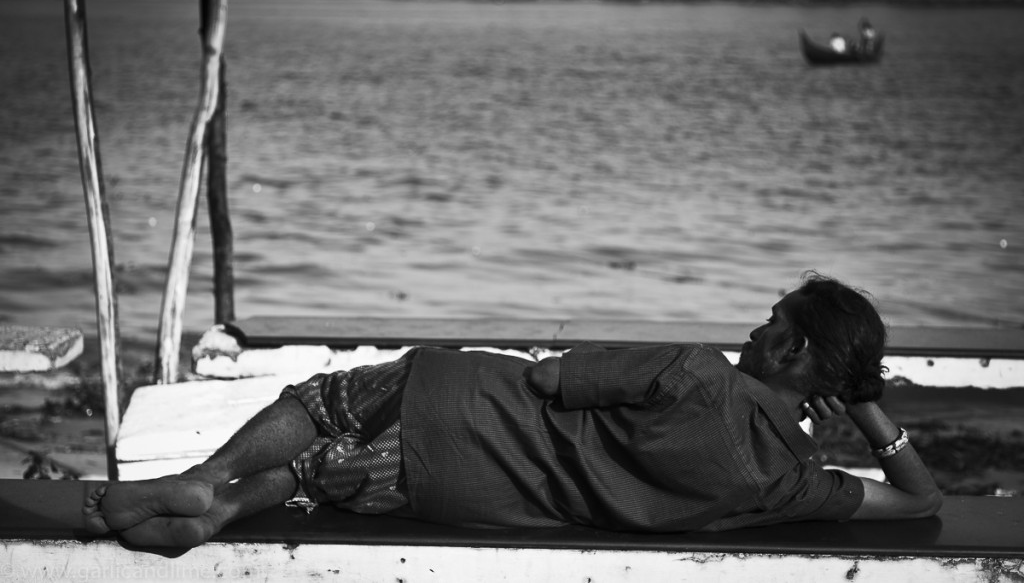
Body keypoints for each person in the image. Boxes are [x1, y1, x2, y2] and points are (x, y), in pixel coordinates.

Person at [83, 272, 942, 548]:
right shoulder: (787, 485)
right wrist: (867, 409)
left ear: (792, 353)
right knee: (319, 474)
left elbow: (553, 378)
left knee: (319, 402)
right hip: (460, 490)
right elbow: (920, 500)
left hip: (451, 397)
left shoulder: (694, 371)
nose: (757, 328)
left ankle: (205, 479)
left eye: (774, 324)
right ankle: (227, 507)